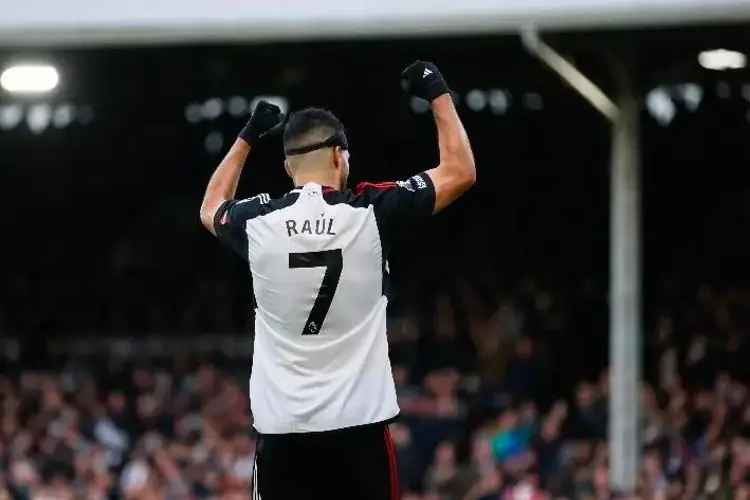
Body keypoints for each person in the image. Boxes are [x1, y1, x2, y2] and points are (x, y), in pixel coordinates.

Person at [199, 60, 475, 500]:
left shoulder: (257, 221)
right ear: (338, 156)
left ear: (289, 169)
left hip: (283, 432)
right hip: (358, 431)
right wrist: (437, 91)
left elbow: (211, 206)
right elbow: (460, 171)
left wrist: (246, 137)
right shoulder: (369, 212)